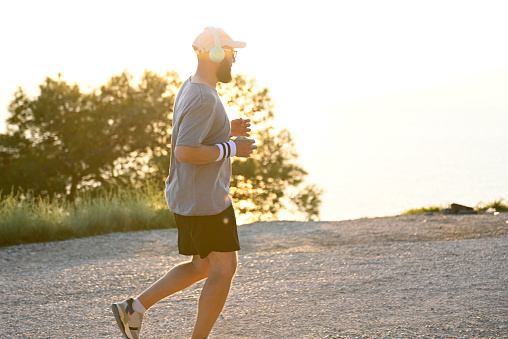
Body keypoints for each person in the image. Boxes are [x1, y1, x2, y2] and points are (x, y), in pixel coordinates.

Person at [111, 27, 256, 339]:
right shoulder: (204, 96)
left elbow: (191, 133)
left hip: (189, 197)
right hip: (204, 202)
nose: (234, 59)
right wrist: (233, 148)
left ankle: (133, 309)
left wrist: (225, 129)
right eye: (231, 52)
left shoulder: (192, 86)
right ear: (216, 54)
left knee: (201, 267)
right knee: (223, 269)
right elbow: (185, 150)